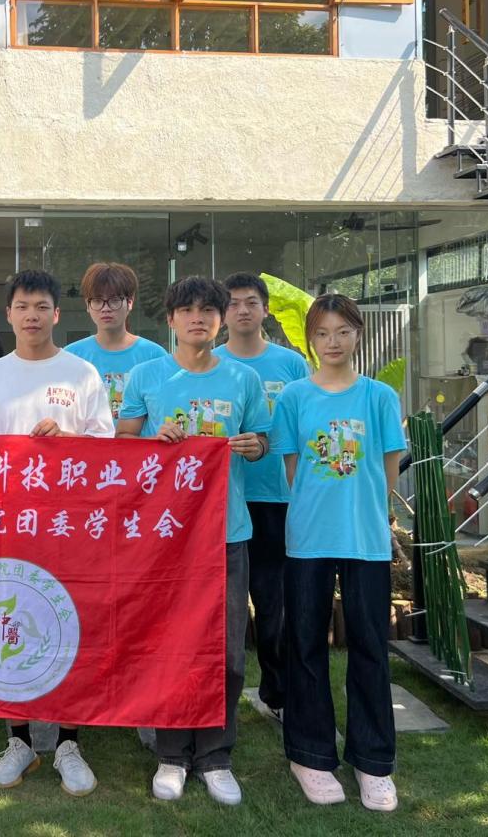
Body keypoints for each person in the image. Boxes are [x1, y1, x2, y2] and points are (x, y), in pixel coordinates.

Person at [116, 276, 270, 808]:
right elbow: (122, 444)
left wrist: (253, 446)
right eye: (187, 310)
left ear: (221, 319)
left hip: (226, 532)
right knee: (169, 645)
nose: (198, 318)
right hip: (166, 536)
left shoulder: (243, 378)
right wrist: (151, 441)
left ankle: (215, 756)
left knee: (227, 650)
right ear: (171, 319)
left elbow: (262, 440)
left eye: (208, 310)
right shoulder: (147, 375)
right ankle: (171, 755)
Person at [0, 268, 113, 797]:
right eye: (22, 306)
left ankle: (70, 743)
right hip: (10, 527)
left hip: (68, 526)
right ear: (9, 314)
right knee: (10, 624)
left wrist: (68, 437)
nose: (31, 315)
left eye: (41, 306)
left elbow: (106, 451)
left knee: (67, 626)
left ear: (56, 313)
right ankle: (19, 740)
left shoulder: (82, 373)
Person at [270, 293, 405, 813]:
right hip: (308, 538)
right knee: (305, 644)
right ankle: (310, 755)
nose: (333, 342)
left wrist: (368, 512)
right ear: (310, 339)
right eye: (323, 333)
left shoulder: (378, 397)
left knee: (370, 647)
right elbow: (293, 471)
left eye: (343, 332)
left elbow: (388, 469)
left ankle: (373, 761)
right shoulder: (294, 398)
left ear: (357, 335)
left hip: (365, 540)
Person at [214, 272, 310, 724]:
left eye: (251, 302)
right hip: (222, 504)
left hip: (278, 500)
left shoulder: (291, 365)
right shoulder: (211, 364)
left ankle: (279, 694)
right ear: (222, 313)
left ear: (266, 309)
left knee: (275, 603)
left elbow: (306, 428)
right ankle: (214, 699)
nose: (242, 310)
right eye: (233, 303)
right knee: (219, 610)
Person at [65, 262, 168, 421]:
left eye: (114, 300)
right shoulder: (71, 355)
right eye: (97, 300)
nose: (105, 308)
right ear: (88, 305)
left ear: (130, 302)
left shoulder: (154, 355)